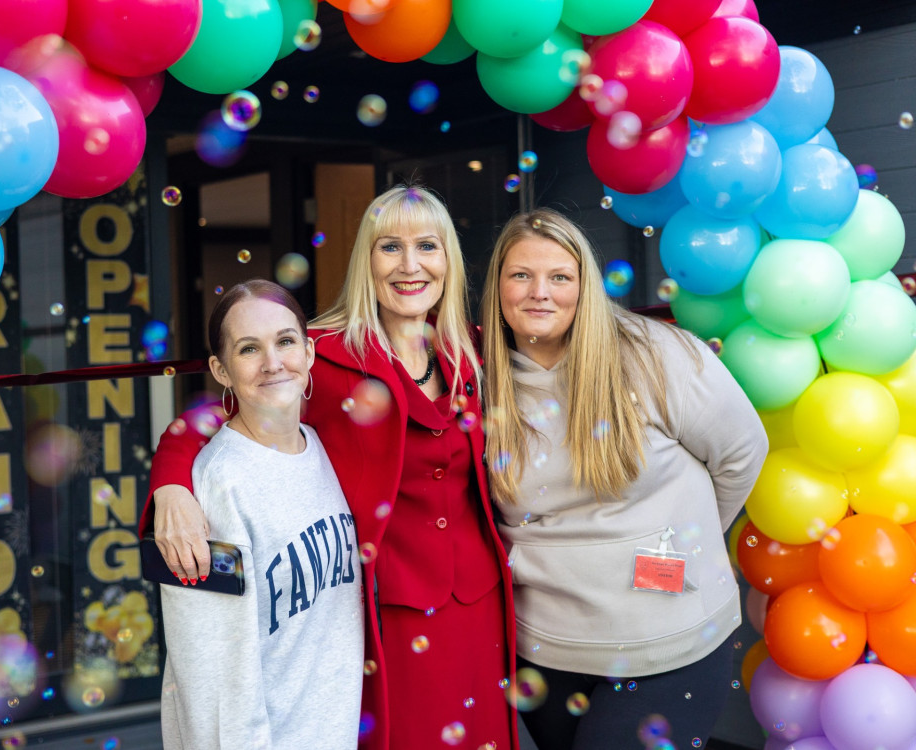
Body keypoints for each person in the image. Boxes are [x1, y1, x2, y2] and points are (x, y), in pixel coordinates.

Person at [140, 186, 519, 750]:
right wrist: (170, 486)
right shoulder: (317, 352)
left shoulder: (475, 350)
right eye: (390, 247)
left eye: (427, 246)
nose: (410, 266)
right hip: (385, 614)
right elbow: (203, 420)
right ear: (367, 258)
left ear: (450, 259)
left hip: (482, 604)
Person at [479, 209, 768, 750]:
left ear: (585, 286)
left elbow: (742, 453)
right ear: (497, 286)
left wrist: (681, 540)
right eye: (521, 275)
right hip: (545, 652)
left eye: (560, 277)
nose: (539, 292)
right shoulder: (478, 380)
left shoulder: (656, 355)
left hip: (667, 648)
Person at [157, 280, 363, 749]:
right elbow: (208, 673)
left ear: (309, 353)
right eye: (249, 349)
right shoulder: (215, 486)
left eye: (285, 341)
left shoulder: (324, 450)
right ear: (221, 370)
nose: (273, 363)